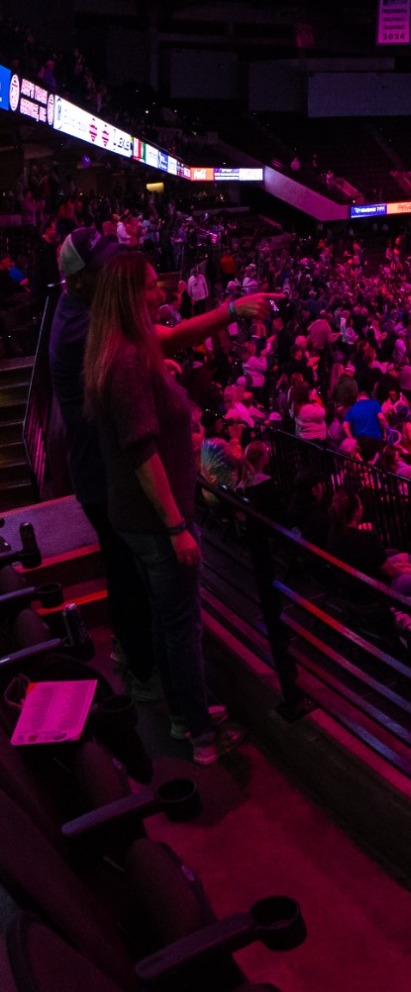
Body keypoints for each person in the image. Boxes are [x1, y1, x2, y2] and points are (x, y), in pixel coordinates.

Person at [86, 252, 242, 764]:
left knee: (164, 617)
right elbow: (142, 452)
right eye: (152, 287)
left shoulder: (122, 346)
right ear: (131, 295)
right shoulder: (128, 360)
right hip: (156, 522)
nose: (161, 293)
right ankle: (199, 733)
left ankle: (181, 715)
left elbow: (174, 338)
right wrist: (176, 525)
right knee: (182, 626)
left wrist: (232, 311)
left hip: (137, 520)